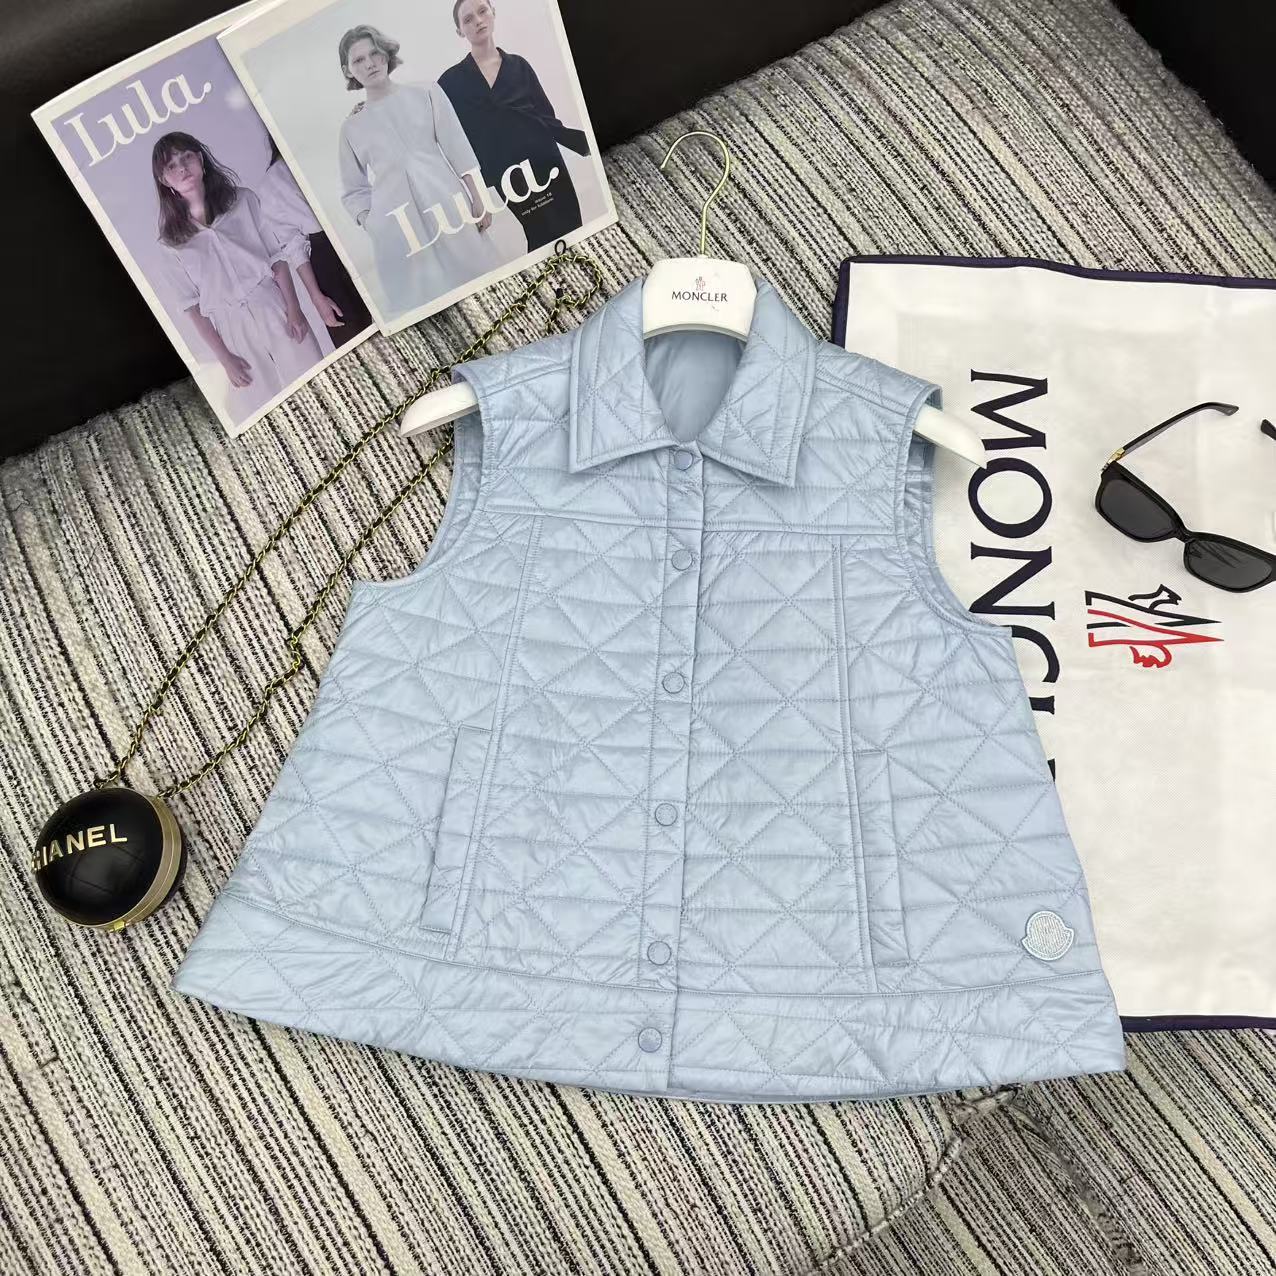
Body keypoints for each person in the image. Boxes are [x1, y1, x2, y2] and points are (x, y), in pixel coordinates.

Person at [336, 24, 502, 316]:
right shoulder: (352, 127)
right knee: (426, 304)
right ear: (348, 70)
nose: (370, 64)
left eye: (374, 53)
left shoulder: (426, 92)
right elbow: (353, 190)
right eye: (358, 60)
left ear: (386, 53)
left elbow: (457, 147)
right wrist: (373, 224)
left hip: (448, 205)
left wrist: (479, 197)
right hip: (398, 227)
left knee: (482, 280)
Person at [152, 131, 320, 414]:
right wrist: (225, 358)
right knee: (266, 407)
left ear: (200, 160)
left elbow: (276, 257)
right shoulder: (171, 244)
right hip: (232, 330)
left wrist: (294, 308)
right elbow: (193, 308)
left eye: (187, 157)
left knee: (314, 379)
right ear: (164, 179)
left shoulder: (243, 201)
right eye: (171, 165)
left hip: (273, 306)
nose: (182, 168)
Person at [439, 0, 590, 252]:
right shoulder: (449, 82)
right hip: (506, 173)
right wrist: (476, 194)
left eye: (482, 11)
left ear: (493, 13)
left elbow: (547, 118)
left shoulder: (519, 65)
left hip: (546, 159)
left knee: (573, 226)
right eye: (468, 19)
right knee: (538, 233)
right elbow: (450, 137)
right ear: (459, 31)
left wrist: (584, 143)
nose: (478, 20)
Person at [257, 134, 372, 349]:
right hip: (326, 260)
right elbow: (292, 244)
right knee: (360, 341)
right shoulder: (272, 182)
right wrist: (316, 297)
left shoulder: (331, 150)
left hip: (363, 235)